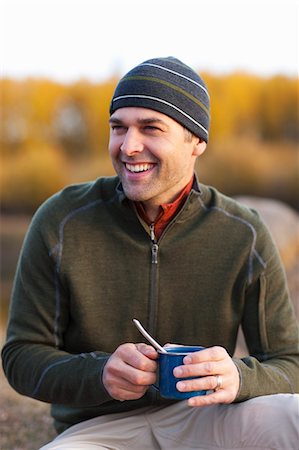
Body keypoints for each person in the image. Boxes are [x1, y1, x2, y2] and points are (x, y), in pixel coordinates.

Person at [2, 57, 299, 450]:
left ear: (197, 141)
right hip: (98, 430)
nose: (128, 146)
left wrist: (240, 378)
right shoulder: (61, 221)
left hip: (206, 418)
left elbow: (290, 362)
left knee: (292, 416)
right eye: (118, 127)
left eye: (150, 128)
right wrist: (100, 373)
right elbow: (21, 357)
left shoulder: (243, 232)